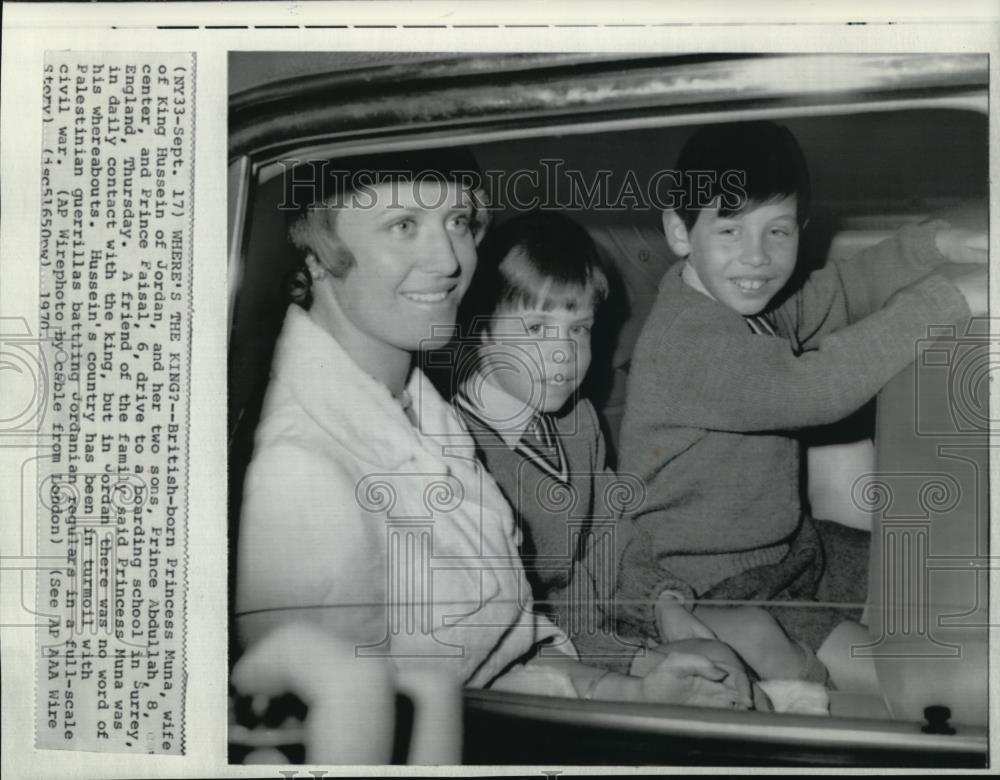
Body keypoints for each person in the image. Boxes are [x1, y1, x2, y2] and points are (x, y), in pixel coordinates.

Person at [234, 149, 754, 713]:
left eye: (457, 222)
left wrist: (632, 691)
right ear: (316, 254)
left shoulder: (420, 413)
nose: (449, 260)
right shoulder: (301, 472)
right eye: (403, 225)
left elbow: (504, 651)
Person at [614, 121, 987, 689]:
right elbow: (818, 388)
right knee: (904, 677)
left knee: (931, 578)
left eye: (778, 232)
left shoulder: (745, 304)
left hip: (788, 549)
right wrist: (950, 299)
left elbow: (843, 289)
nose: (757, 258)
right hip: (717, 582)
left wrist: (935, 246)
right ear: (679, 232)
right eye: (731, 230)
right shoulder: (688, 343)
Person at [454, 210, 818, 687]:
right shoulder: (463, 455)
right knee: (720, 672)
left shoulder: (575, 419)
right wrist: (636, 658)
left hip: (615, 616)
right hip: (554, 653)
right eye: (538, 330)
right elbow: (518, 632)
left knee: (754, 632)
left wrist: (661, 602)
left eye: (579, 329)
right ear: (478, 330)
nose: (564, 356)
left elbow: (613, 531)